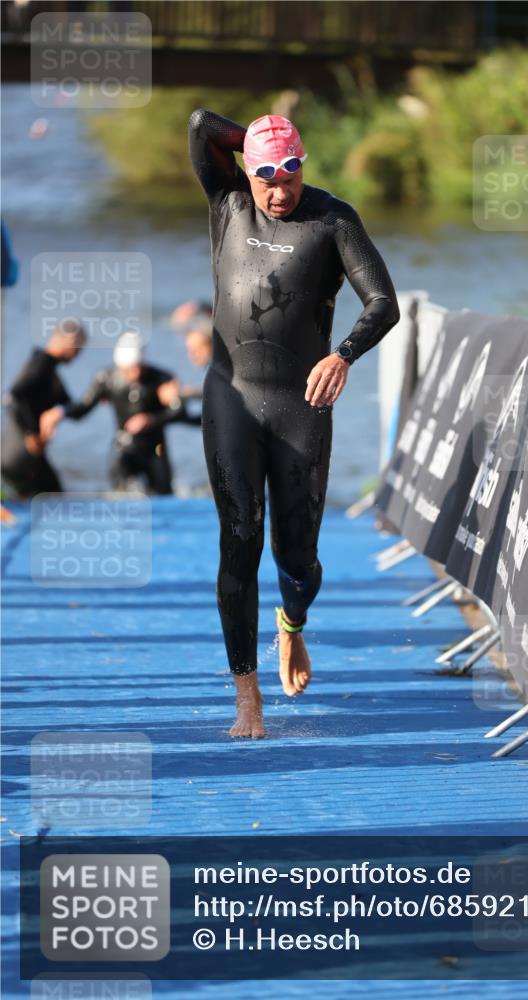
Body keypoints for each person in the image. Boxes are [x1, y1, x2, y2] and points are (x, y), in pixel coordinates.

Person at [189, 108, 400, 739]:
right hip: (231, 396)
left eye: (290, 173)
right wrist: (259, 137)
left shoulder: (332, 219)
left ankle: (293, 624)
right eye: (266, 177)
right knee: (239, 539)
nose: (280, 191)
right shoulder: (227, 203)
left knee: (298, 557)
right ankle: (246, 696)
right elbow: (201, 124)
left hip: (301, 405)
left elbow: (384, 302)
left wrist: (343, 354)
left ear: (305, 166)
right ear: (247, 173)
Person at [40, 332, 188, 495]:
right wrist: (60, 411)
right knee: (120, 495)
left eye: (138, 367)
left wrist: (151, 419)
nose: (135, 373)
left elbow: (180, 411)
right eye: (129, 369)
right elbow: (83, 408)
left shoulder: (161, 378)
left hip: (156, 449)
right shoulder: (106, 378)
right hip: (124, 447)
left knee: (164, 495)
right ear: (119, 365)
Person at [1, 320, 87, 497]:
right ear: (68, 340)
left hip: (31, 456)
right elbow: (12, 398)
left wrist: (100, 393)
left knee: (52, 498)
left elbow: (72, 407)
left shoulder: (50, 371)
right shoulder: (41, 363)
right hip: (18, 453)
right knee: (51, 500)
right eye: (78, 347)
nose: (79, 354)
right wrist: (30, 434)